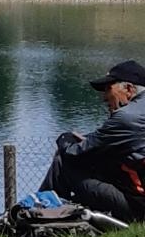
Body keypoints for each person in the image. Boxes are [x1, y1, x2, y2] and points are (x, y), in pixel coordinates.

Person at [39, 59, 145, 222]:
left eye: (108, 89)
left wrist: (65, 139)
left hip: (138, 208)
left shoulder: (126, 117)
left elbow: (74, 153)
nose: (104, 98)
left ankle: (39, 213)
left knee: (63, 162)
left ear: (129, 89)